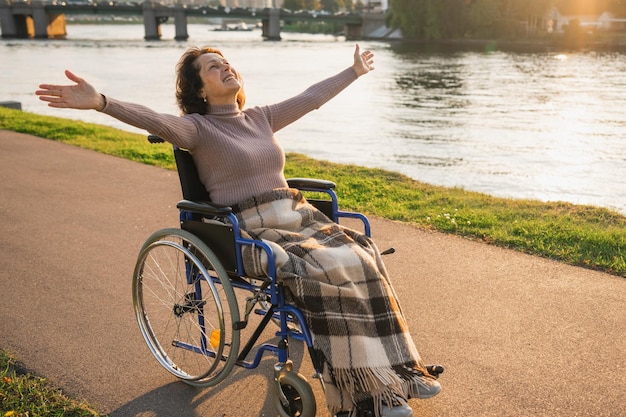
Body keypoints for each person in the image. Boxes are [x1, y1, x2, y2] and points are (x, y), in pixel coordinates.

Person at [36, 44, 441, 417]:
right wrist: (101, 102)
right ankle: (368, 397)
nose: (226, 67)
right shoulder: (196, 128)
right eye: (214, 67)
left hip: (298, 215)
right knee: (324, 268)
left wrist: (352, 71)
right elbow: (151, 118)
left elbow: (311, 98)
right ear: (199, 88)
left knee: (362, 252)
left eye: (227, 62)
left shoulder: (260, 117)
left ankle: (398, 373)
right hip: (251, 228)